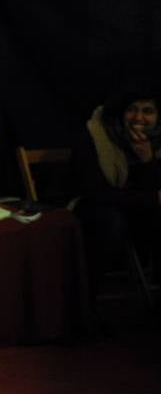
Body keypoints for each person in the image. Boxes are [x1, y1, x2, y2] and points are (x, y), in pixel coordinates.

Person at [71, 89, 160, 298]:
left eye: (148, 111)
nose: (139, 118)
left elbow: (154, 187)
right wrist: (150, 199)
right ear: (120, 112)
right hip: (93, 205)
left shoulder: (156, 140)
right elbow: (95, 191)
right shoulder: (97, 134)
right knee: (111, 220)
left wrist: (147, 160)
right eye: (132, 110)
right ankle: (85, 302)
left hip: (138, 208)